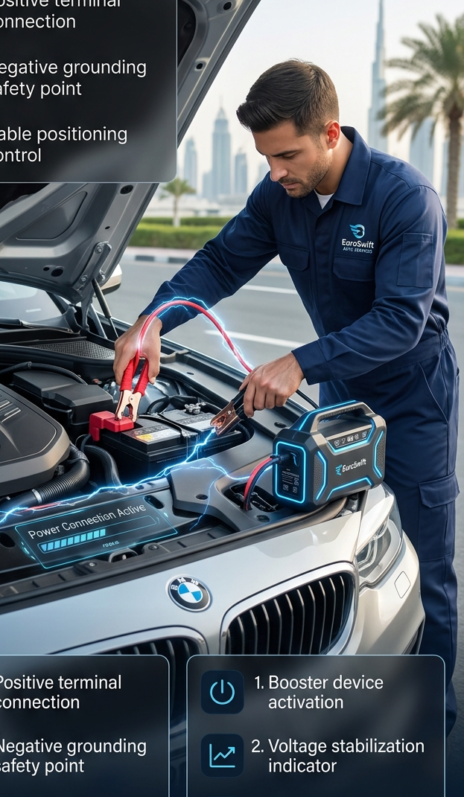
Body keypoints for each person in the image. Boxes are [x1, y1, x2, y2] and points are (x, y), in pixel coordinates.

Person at [113, 60, 459, 731]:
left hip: (414, 396)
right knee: (339, 545)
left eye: (288, 155)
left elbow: (401, 319)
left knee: (425, 557)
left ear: (331, 132)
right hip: (340, 388)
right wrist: (153, 320)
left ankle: (432, 723)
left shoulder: (404, 197)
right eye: (267, 158)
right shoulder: (280, 197)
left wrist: (299, 363)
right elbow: (219, 262)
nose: (276, 173)